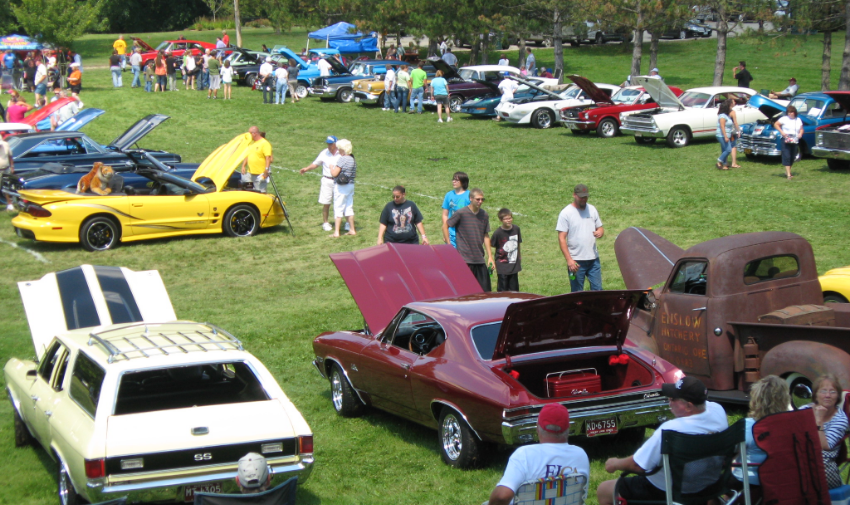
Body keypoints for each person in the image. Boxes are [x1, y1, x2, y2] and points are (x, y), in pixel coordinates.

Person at [597, 377, 729, 505]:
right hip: (709, 487)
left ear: (689, 406)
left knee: (604, 490)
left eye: (673, 399)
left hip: (668, 490)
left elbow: (638, 465)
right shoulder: (718, 412)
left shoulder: (670, 430)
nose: (669, 401)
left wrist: (615, 464)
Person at [486, 403, 589, 505]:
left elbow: (502, 496)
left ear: (538, 428)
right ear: (568, 428)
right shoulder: (580, 455)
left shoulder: (524, 455)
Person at [732, 375, 790, 486]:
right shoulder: (792, 424)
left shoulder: (747, 426)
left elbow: (730, 451)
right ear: (785, 399)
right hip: (782, 482)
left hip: (749, 481)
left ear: (756, 399)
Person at [801, 374, 849, 489]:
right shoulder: (803, 411)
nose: (827, 395)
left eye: (832, 392)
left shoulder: (840, 418)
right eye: (823, 391)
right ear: (815, 395)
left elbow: (825, 445)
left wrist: (819, 421)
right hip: (802, 460)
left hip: (824, 468)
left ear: (837, 396)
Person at [556, 184, 604, 292]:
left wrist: (600, 232)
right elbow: (561, 238)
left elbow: (600, 227)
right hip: (576, 262)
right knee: (577, 292)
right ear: (574, 195)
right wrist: (569, 260)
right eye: (581, 197)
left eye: (585, 197)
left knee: (598, 290)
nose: (584, 199)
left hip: (593, 260)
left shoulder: (592, 209)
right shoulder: (566, 213)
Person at [446, 188, 495, 291]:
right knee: (465, 292)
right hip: (465, 260)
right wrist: (448, 244)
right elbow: (445, 226)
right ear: (471, 198)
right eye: (478, 199)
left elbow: (486, 235)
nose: (480, 202)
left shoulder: (484, 215)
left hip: (479, 259)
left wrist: (490, 257)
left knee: (485, 292)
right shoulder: (461, 213)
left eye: (482, 199)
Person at [300, 136, 341, 231]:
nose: (329, 145)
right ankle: (326, 222)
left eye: (331, 143)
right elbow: (316, 163)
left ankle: (341, 222)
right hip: (327, 180)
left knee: (339, 203)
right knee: (326, 203)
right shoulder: (324, 153)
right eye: (328, 143)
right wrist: (306, 168)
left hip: (339, 181)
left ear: (336, 144)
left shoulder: (341, 153)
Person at [329, 139, 357, 238]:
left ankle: (336, 232)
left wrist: (331, 167)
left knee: (338, 208)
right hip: (350, 185)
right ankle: (352, 229)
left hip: (341, 187)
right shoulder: (352, 158)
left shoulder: (342, 159)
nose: (338, 150)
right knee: (348, 208)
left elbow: (334, 173)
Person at [491, 208, 522, 292]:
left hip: (513, 265)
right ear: (501, 220)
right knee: (503, 289)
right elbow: (493, 244)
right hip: (502, 265)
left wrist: (519, 256)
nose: (508, 220)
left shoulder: (516, 229)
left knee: (514, 289)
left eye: (510, 218)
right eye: (506, 219)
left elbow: (518, 243)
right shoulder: (498, 233)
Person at [774, 105, 803, 180]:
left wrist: (800, 133)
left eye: (792, 112)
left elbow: (801, 129)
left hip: (795, 139)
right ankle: (789, 175)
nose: (790, 114)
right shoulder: (784, 119)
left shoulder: (798, 120)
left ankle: (788, 171)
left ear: (795, 113)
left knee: (793, 156)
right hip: (785, 139)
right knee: (787, 155)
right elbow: (776, 124)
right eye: (789, 112)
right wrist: (782, 132)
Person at [441, 171, 470, 247]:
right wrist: (446, 232)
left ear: (463, 182)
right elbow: (445, 214)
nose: (453, 181)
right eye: (453, 179)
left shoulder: (469, 195)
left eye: (456, 180)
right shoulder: (449, 195)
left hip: (465, 233)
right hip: (452, 233)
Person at [240, 126, 273, 193]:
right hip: (250, 173)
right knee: (248, 192)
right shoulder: (252, 143)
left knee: (260, 193)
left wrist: (266, 170)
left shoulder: (264, 143)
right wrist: (243, 166)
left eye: (250, 133)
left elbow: (268, 158)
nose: (249, 135)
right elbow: (247, 155)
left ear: (254, 133)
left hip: (260, 174)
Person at [716, 98, 736, 170]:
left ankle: (725, 165)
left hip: (727, 135)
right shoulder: (722, 116)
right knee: (728, 150)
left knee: (724, 149)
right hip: (721, 135)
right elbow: (722, 126)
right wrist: (725, 136)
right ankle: (719, 161)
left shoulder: (726, 115)